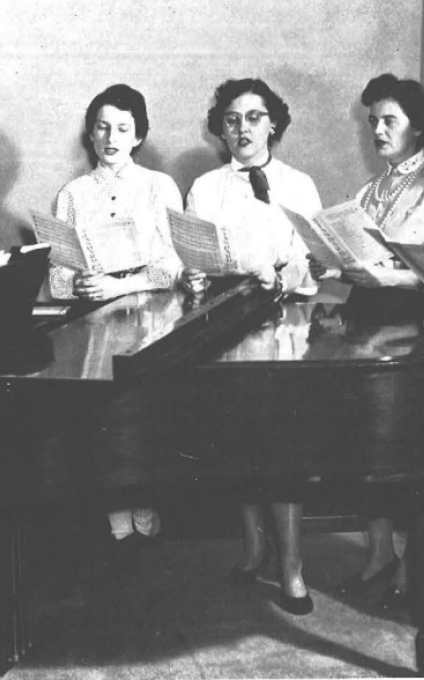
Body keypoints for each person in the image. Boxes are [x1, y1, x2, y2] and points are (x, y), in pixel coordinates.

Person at [184, 78, 322, 615]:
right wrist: (209, 273)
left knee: (283, 447)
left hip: (285, 327)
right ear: (221, 129)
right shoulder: (204, 188)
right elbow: (197, 254)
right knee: (236, 441)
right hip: (225, 328)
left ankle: (292, 565)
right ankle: (253, 546)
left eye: (254, 117)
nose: (242, 128)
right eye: (232, 119)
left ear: (273, 124)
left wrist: (283, 276)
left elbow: (311, 258)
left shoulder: (299, 185)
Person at [50, 84, 183, 546]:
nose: (111, 138)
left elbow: (172, 266)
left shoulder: (157, 187)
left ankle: (144, 509)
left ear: (138, 135)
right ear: (90, 133)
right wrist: (79, 283)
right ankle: (116, 523)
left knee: (140, 420)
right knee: (102, 423)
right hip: (92, 324)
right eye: (103, 127)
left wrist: (119, 285)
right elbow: (57, 276)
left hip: (148, 317)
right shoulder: (72, 194)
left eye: (123, 129)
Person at [310, 73, 424, 608]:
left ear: (417, 126)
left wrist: (385, 276)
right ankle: (380, 552)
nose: (377, 130)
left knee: (409, 454)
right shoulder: (373, 189)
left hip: (412, 327)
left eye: (389, 121)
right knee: (371, 449)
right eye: (373, 121)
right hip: (368, 323)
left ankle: (413, 565)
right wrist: (328, 260)